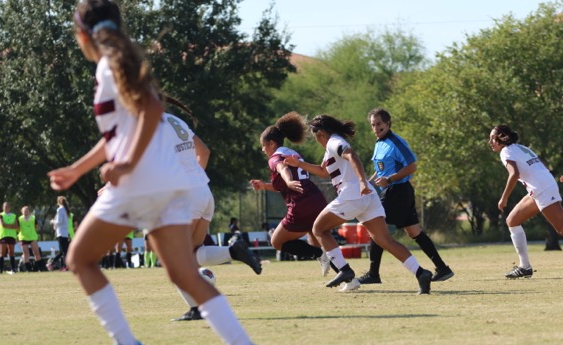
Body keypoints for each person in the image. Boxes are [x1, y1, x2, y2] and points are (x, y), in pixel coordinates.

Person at [47, 0, 267, 345]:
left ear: (82, 34)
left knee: (80, 259)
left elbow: (150, 107)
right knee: (184, 273)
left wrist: (128, 164)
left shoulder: (109, 65)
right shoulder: (121, 61)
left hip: (142, 184)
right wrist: (77, 169)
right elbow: (121, 132)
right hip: (170, 183)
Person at [284, 114, 433, 294]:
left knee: (319, 229)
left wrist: (362, 181)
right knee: (386, 240)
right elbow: (323, 171)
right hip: (367, 196)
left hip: (354, 192)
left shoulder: (333, 142)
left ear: (321, 133)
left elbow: (351, 155)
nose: (316, 140)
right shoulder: (331, 146)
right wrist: (299, 163)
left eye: (315, 136)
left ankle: (345, 270)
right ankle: (421, 273)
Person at [172, 106, 262, 322]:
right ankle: (233, 251)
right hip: (204, 191)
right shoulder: (177, 123)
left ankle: (197, 308)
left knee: (175, 259)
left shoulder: (149, 127)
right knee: (193, 253)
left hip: (186, 197)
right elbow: (204, 152)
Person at [356, 108, 454, 285]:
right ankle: (442, 268)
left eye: (379, 124)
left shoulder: (396, 142)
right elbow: (381, 172)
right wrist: (367, 184)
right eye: (373, 124)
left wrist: (391, 179)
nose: (376, 127)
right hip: (395, 192)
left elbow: (412, 166)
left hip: (398, 191)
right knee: (414, 231)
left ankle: (373, 274)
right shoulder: (379, 143)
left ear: (388, 123)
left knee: (376, 227)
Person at [249, 111, 332, 276]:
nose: (262, 149)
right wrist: (265, 186)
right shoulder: (292, 153)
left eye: (263, 145)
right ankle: (345, 273)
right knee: (317, 239)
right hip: (316, 199)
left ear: (272, 144)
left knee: (277, 242)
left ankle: (320, 255)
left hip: (300, 205)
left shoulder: (275, 157)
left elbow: (282, 168)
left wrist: (287, 181)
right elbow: (283, 184)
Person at [488, 125, 563, 278]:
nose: (490, 142)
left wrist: (504, 198)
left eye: (492, 138)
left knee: (561, 229)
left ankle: (525, 267)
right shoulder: (522, 148)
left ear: (501, 138)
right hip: (540, 189)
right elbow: (543, 167)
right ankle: (525, 267)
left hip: (542, 189)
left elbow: (514, 174)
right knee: (512, 221)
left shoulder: (506, 151)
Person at [18, 206, 47, 272]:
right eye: (24, 211)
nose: (26, 212)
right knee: (26, 254)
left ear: (29, 211)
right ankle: (28, 269)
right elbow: (18, 227)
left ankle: (40, 268)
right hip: (23, 237)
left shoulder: (33, 218)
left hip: (32, 237)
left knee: (36, 253)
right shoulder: (20, 219)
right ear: (22, 212)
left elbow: (36, 226)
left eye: (27, 211)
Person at [48, 196, 70, 271]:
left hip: (60, 232)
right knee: (64, 251)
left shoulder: (60, 209)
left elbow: (60, 221)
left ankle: (54, 264)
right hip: (64, 233)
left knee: (63, 251)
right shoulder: (65, 209)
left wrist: (52, 221)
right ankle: (55, 264)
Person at [0, 202, 19, 274]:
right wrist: (11, 226)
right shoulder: (1, 215)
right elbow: (3, 225)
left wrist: (8, 226)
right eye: (5, 206)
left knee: (11, 252)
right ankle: (0, 270)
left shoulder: (14, 215)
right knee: (2, 252)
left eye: (8, 206)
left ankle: (13, 268)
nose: (7, 208)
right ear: (3, 207)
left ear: (10, 207)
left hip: (12, 236)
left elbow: (16, 226)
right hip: (3, 235)